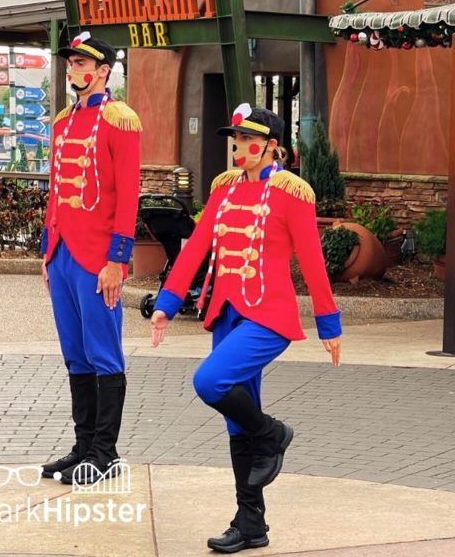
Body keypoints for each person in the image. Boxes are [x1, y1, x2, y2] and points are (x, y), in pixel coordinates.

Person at [150, 103, 342, 554]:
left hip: (268, 315)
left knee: (209, 381)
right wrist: (167, 303)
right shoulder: (223, 190)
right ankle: (250, 523)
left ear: (272, 146)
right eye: (235, 141)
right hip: (226, 313)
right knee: (238, 421)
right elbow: (196, 247)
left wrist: (328, 322)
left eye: (249, 141)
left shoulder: (292, 193)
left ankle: (274, 434)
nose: (239, 148)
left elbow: (312, 261)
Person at [39, 31, 141, 486]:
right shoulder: (62, 120)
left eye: (82, 63)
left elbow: (128, 195)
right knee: (75, 354)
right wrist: (47, 249)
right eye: (71, 62)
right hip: (63, 253)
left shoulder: (120, 119)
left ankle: (105, 451)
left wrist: (118, 258)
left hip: (98, 256)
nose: (73, 69)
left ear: (103, 71)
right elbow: (56, 190)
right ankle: (83, 446)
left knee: (103, 354)